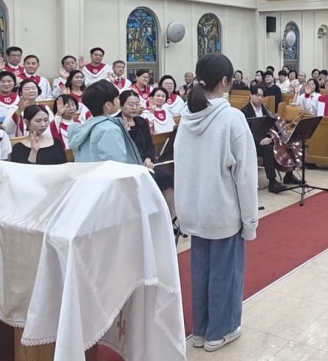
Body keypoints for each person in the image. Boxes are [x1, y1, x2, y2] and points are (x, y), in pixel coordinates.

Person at [175, 54, 257, 352]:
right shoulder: (232, 118)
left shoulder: (187, 118)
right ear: (225, 81)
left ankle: (200, 331)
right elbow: (245, 176)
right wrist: (250, 221)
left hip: (195, 210)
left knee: (201, 273)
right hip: (222, 210)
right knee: (225, 274)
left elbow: (181, 166)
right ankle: (220, 331)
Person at [117, 89, 176, 219]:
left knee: (166, 177)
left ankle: (172, 219)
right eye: (130, 104)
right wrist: (127, 131)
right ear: (121, 105)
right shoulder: (116, 123)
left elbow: (149, 144)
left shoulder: (141, 121)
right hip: (129, 164)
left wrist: (149, 158)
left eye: (137, 104)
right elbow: (121, 149)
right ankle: (150, 218)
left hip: (147, 162)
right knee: (149, 181)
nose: (134, 108)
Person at [242, 83, 301, 193]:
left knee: (287, 143)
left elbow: (272, 124)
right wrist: (260, 141)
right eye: (257, 95)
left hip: (267, 138)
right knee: (268, 149)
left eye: (262, 96)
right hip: (252, 142)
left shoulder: (265, 109)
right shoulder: (244, 112)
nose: (260, 98)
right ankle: (272, 182)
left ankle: (289, 175)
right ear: (250, 95)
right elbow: (246, 133)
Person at [68, 80, 142, 164]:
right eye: (117, 98)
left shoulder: (86, 126)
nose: (119, 100)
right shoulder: (110, 129)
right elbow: (116, 164)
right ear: (108, 105)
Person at [0, 71, 21, 137]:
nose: (6, 84)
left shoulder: (18, 96)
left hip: (16, 132)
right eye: (3, 82)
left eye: (9, 81)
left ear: (14, 83)